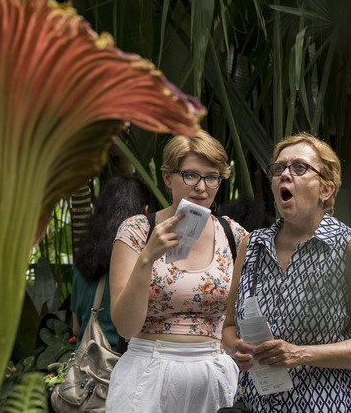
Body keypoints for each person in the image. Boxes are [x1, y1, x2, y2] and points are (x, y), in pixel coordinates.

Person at [222, 132, 351, 412]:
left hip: (324, 404)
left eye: (299, 168)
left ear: (326, 190)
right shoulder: (251, 246)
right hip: (255, 405)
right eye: (279, 168)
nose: (285, 174)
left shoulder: (349, 248)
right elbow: (228, 326)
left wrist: (301, 354)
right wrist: (236, 347)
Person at [105, 129, 248, 413]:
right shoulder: (138, 231)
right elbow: (125, 327)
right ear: (168, 177)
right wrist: (148, 258)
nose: (202, 187)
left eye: (212, 177)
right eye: (191, 175)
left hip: (214, 374)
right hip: (149, 371)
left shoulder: (233, 234)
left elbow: (244, 315)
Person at [70, 176, 153, 351]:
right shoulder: (144, 262)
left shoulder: (81, 262)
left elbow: (76, 329)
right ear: (145, 212)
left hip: (86, 365)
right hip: (122, 360)